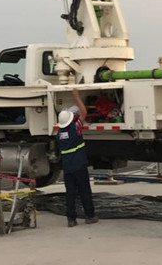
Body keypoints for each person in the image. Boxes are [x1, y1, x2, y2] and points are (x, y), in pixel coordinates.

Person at [56, 88, 98, 227]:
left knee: (70, 193)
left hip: (67, 167)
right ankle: (89, 216)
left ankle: (71, 219)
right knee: (84, 190)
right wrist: (76, 96)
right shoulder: (75, 128)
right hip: (79, 165)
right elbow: (84, 112)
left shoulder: (60, 133)